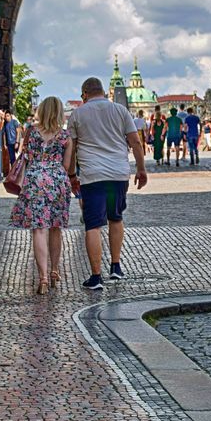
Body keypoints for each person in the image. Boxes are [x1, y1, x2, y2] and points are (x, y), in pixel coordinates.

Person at [67, 77, 147, 290]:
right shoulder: (120, 111)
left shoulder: (77, 114)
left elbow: (71, 148)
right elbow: (135, 142)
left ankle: (95, 277)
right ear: (103, 92)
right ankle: (116, 266)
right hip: (117, 175)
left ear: (84, 94)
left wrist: (72, 175)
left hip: (92, 176)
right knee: (115, 218)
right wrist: (141, 169)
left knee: (93, 225)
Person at [10, 96, 74, 294]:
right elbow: (67, 165)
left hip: (35, 179)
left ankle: (43, 278)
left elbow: (25, 157)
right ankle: (55, 271)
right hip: (58, 181)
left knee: (38, 228)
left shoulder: (31, 133)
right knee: (56, 227)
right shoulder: (65, 137)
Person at [1, 110, 21, 174]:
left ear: (10, 116)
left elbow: (18, 132)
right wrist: (4, 144)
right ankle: (14, 172)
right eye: (5, 116)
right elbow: (4, 134)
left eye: (8, 116)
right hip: (9, 144)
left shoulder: (14, 122)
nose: (7, 117)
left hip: (16, 142)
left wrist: (17, 142)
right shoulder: (5, 124)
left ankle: (18, 172)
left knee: (19, 158)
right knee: (12, 158)